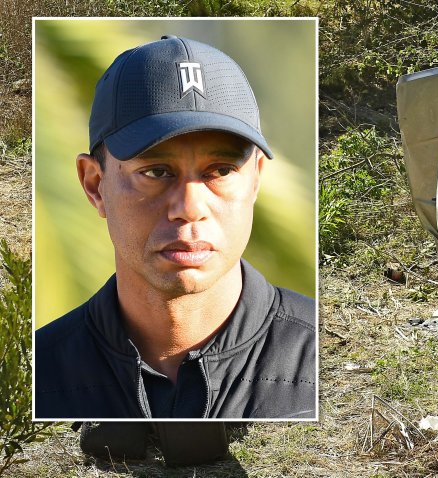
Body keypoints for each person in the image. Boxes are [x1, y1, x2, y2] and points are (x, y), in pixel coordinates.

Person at [34, 35, 316, 419]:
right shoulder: (33, 379)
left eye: (220, 171)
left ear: (255, 181)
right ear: (95, 185)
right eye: (156, 171)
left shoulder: (328, 356)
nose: (189, 208)